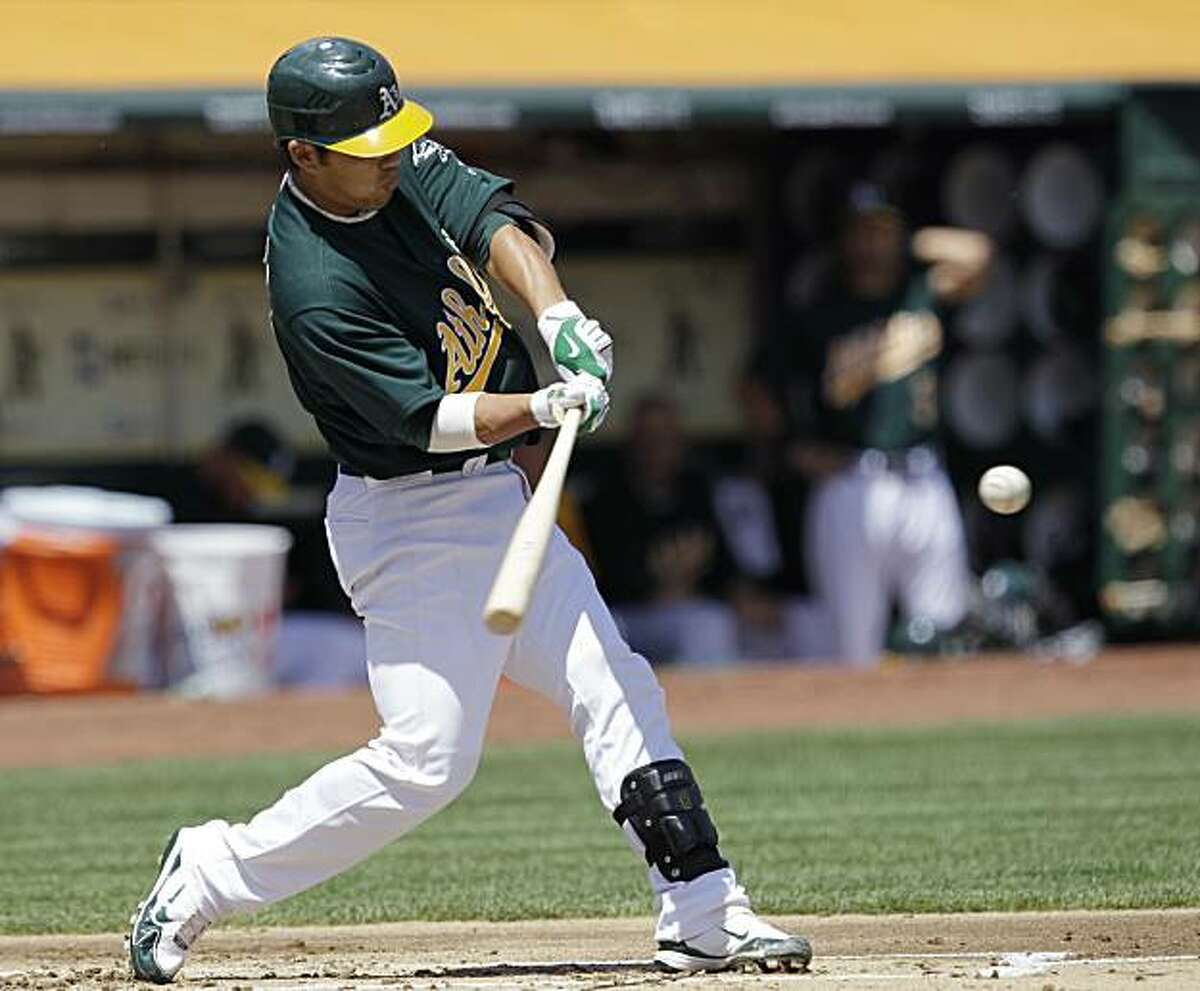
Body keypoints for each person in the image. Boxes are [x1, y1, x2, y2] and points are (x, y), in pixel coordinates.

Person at [126, 37, 810, 983]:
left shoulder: (388, 164)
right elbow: (430, 420)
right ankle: (208, 872)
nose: (394, 156)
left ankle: (703, 906)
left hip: (494, 493)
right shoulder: (314, 284)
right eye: (370, 147)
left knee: (615, 684)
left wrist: (559, 316)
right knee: (427, 763)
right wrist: (537, 407)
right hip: (406, 521)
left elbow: (491, 219)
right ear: (304, 156)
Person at [764, 184, 991, 665]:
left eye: (880, 230)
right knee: (851, 646)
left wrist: (908, 240)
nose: (870, 243)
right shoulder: (819, 309)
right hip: (851, 480)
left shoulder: (921, 292)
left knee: (945, 633)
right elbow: (757, 385)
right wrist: (792, 447)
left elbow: (977, 254)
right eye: (860, 231)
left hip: (925, 477)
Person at [581, 395, 738, 665]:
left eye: (665, 436)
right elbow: (603, 578)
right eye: (648, 437)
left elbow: (722, 564)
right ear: (633, 442)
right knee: (601, 631)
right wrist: (658, 582)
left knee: (711, 622)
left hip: (681, 609)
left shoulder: (695, 492)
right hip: (627, 614)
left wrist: (692, 581)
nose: (656, 447)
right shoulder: (607, 497)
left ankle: (707, 705)